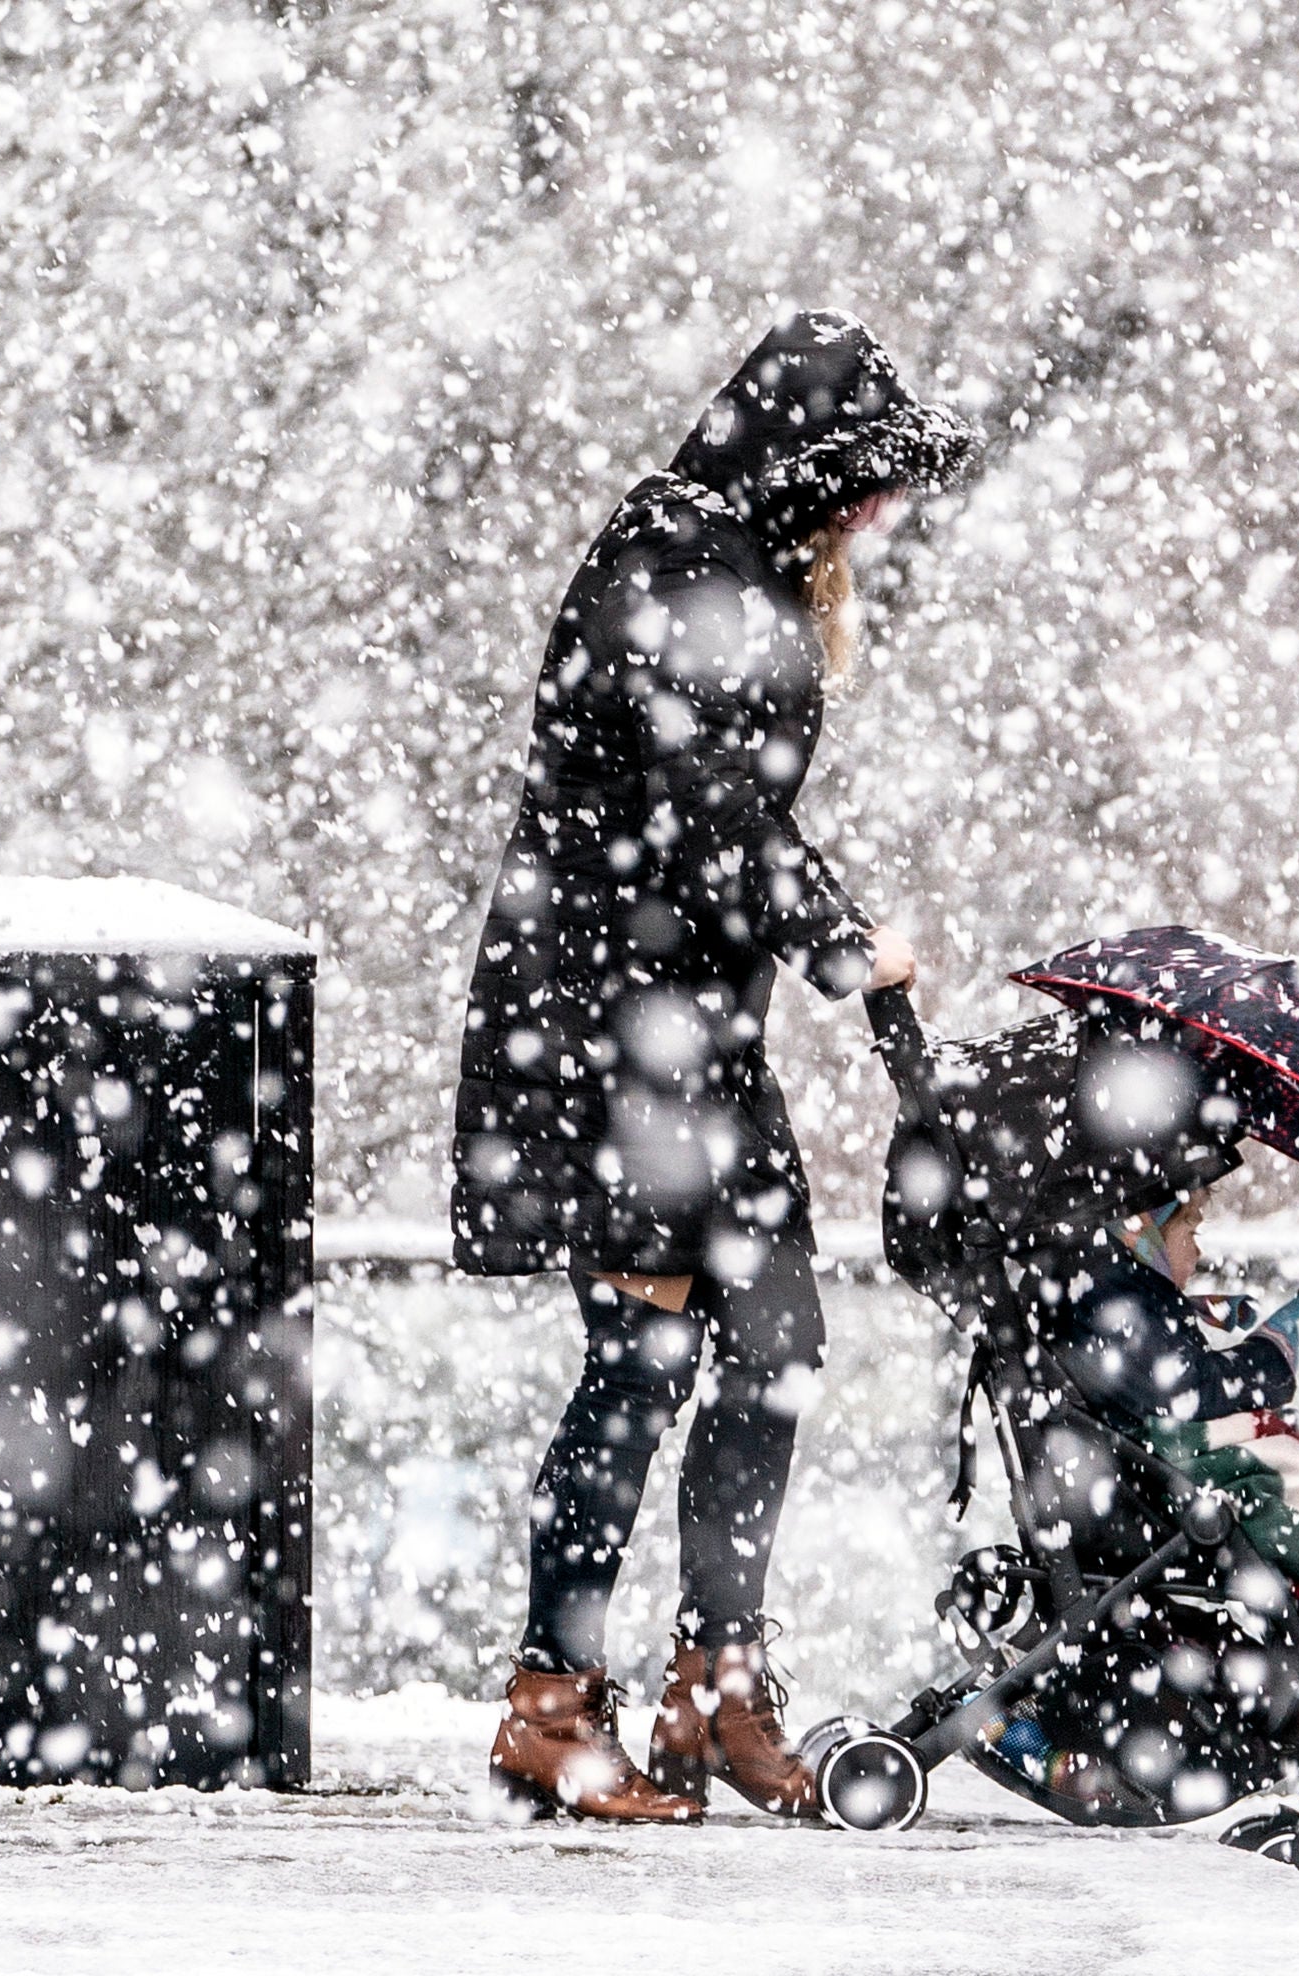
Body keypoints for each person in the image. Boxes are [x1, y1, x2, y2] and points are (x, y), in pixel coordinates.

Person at [449, 311, 977, 1824]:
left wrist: (821, 929)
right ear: (805, 463)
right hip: (613, 1031)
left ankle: (714, 1689)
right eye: (865, 483)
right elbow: (697, 809)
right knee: (642, 1360)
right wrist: (836, 939)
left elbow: (720, 808)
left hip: (689, 1030)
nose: (877, 513)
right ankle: (554, 1703)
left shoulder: (727, 562)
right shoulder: (675, 567)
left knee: (777, 1337)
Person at [1014, 1185, 1299, 1871]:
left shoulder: (1082, 1287)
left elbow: (1166, 1375)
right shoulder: (1122, 1294)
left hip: (1116, 1499)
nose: (1198, 1249)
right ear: (1141, 1232)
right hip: (1171, 1500)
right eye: (1190, 1229)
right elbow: (1191, 1391)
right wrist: (1270, 1360)